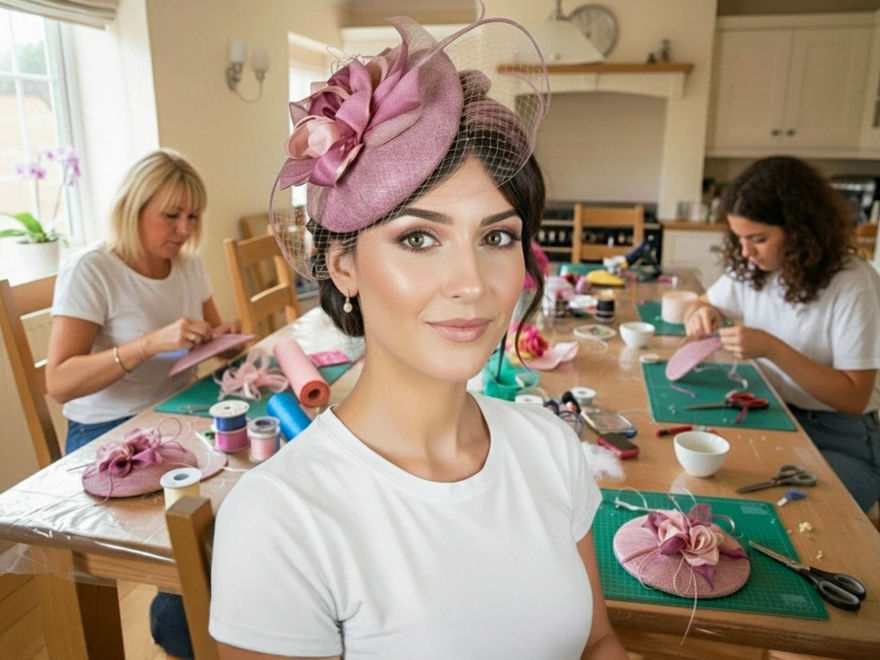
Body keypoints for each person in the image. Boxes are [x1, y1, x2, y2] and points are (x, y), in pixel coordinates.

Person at [209, 13, 626, 660]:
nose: (471, 283)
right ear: (343, 264)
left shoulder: (550, 450)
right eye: (418, 238)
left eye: (496, 237)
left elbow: (598, 642)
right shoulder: (280, 522)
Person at [46, 147, 239, 659]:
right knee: (198, 524)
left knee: (242, 493)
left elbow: (210, 333)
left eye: (193, 215)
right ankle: (183, 630)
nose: (183, 228)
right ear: (133, 208)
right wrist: (148, 344)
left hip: (175, 416)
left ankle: (210, 614)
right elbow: (60, 382)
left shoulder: (187, 265)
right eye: (170, 214)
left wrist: (223, 338)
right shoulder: (91, 269)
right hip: (105, 436)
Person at [684, 155, 880, 513]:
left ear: (801, 230)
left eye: (758, 238)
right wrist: (702, 312)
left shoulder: (853, 283)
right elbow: (699, 302)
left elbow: (854, 397)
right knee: (718, 494)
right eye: (739, 238)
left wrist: (771, 348)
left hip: (840, 436)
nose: (746, 251)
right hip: (774, 416)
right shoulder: (754, 268)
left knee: (790, 513)